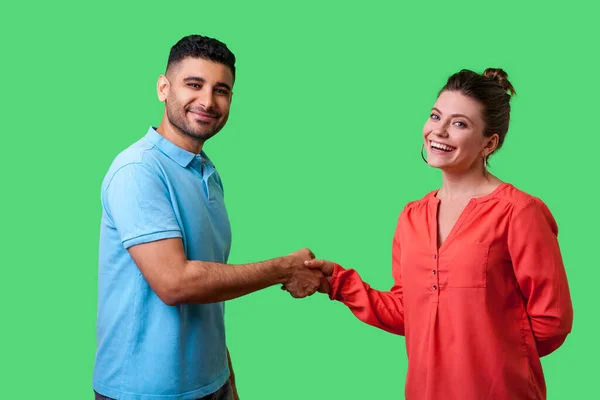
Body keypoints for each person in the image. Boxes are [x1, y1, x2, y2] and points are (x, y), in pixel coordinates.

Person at [304, 68, 574, 400]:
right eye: (436, 116)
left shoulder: (519, 212)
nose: (439, 131)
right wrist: (336, 281)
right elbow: (408, 311)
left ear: (489, 143)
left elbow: (552, 321)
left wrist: (495, 357)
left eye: (459, 124)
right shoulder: (412, 216)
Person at [93, 34, 326, 400]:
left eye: (221, 90)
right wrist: (285, 268)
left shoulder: (205, 172)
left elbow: (209, 284)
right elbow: (176, 283)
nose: (207, 101)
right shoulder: (138, 170)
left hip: (210, 383)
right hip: (145, 391)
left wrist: (225, 376)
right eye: (194, 84)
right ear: (163, 88)